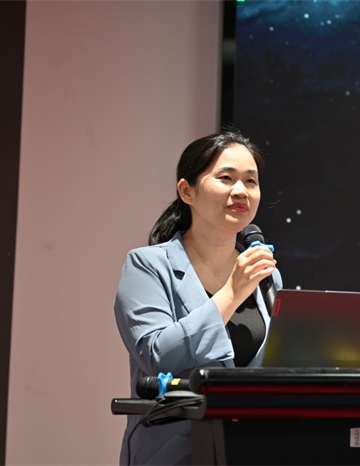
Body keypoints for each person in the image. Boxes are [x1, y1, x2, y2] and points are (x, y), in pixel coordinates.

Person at [114, 129, 282, 465]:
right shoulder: (148, 265)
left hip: (249, 450)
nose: (241, 191)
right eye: (226, 178)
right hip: (174, 454)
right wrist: (231, 293)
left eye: (251, 181)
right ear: (187, 191)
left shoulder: (266, 275)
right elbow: (158, 356)